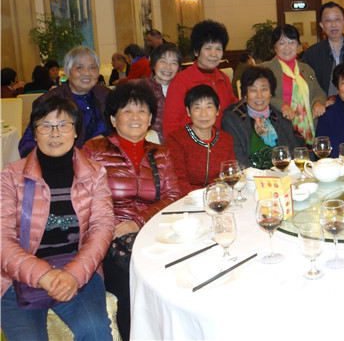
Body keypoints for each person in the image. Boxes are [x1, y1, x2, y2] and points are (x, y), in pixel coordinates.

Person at [1, 97, 114, 341]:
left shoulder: (95, 174)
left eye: (63, 125)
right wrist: (42, 274)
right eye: (46, 125)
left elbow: (102, 228)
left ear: (76, 131)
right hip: (18, 275)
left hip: (79, 268)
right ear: (34, 132)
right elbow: (2, 237)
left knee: (94, 332)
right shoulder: (11, 175)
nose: (55, 133)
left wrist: (74, 273)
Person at [82, 82, 182, 339]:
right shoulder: (95, 151)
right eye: (127, 111)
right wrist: (111, 226)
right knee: (131, 288)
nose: (135, 117)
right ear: (113, 119)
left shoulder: (160, 153)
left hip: (152, 232)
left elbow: (173, 196)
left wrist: (138, 222)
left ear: (150, 119)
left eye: (142, 111)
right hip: (110, 237)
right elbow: (84, 199)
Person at [19, 46, 111, 158]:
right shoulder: (50, 100)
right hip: (66, 161)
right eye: (79, 68)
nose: (87, 73)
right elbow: (29, 141)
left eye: (92, 68)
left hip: (105, 158)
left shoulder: (106, 94)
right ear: (67, 72)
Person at [162, 19, 237, 138]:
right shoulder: (181, 81)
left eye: (218, 48)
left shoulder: (223, 79)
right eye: (208, 48)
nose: (214, 54)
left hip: (220, 144)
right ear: (196, 52)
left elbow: (233, 108)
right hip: (190, 145)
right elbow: (171, 124)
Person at [221, 66, 304, 169]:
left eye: (264, 89)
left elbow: (293, 152)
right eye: (253, 90)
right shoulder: (232, 120)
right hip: (250, 176)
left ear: (271, 93)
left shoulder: (281, 118)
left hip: (283, 174)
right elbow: (237, 158)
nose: (259, 95)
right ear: (245, 95)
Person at [261, 24, 327, 145]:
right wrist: (282, 105)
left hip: (309, 131)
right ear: (274, 47)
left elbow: (319, 92)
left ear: (298, 45)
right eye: (281, 43)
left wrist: (318, 102)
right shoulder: (265, 69)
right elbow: (259, 96)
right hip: (279, 130)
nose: (287, 47)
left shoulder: (306, 69)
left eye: (291, 42)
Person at [166, 85, 235, 193]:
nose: (203, 114)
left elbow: (231, 174)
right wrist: (200, 197)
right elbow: (178, 180)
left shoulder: (226, 139)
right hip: (188, 198)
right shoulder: (176, 139)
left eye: (209, 107)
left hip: (220, 195)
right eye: (197, 108)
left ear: (217, 110)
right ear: (188, 111)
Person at [302, 2, 344, 96]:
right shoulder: (311, 54)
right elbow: (306, 85)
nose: (333, 25)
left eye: (337, 19)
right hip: (324, 104)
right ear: (322, 25)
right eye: (328, 21)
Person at [140, 42, 181, 143]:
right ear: (154, 64)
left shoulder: (182, 89)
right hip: (149, 144)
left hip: (177, 144)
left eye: (173, 63)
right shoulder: (140, 88)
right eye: (163, 61)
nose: (168, 67)